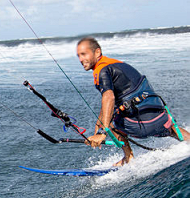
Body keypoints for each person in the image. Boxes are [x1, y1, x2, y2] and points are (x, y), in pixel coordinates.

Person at [76, 37, 190, 166]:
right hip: (160, 120)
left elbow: (109, 98)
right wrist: (99, 124)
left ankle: (128, 157)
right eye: (78, 56)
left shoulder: (101, 71)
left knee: (111, 123)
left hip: (139, 125)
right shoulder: (119, 65)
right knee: (170, 128)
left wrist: (102, 133)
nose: (80, 59)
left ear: (97, 52)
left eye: (84, 54)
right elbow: (110, 100)